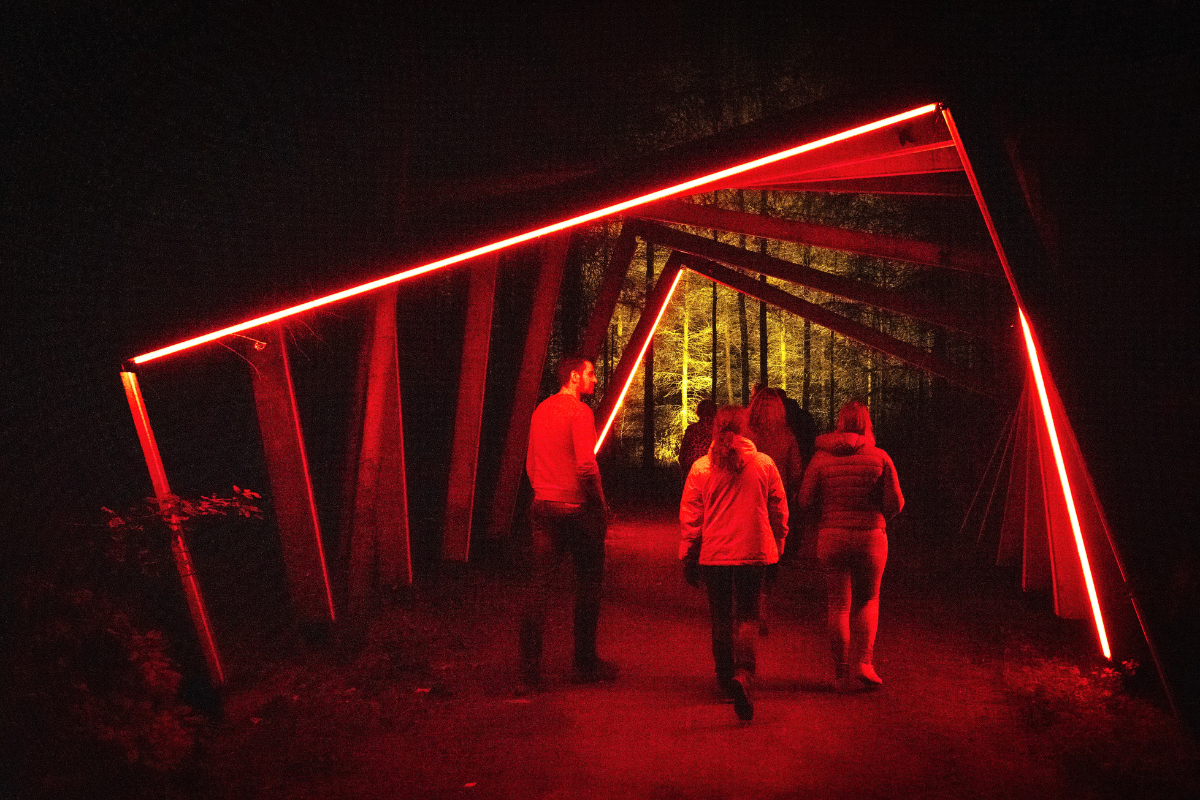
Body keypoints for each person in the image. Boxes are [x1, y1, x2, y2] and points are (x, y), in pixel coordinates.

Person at [680, 405, 788, 721]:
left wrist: (688, 550)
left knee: (721, 617)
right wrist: (778, 543)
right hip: (753, 551)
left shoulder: (701, 468)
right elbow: (778, 509)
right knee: (747, 616)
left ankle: (725, 681)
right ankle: (743, 674)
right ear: (745, 430)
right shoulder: (764, 464)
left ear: (715, 429)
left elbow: (690, 515)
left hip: (714, 553)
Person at [521, 355, 617, 690]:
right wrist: (600, 505)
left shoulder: (540, 411)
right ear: (574, 377)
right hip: (575, 508)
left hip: (543, 504)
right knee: (588, 584)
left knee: (539, 586)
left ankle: (530, 666)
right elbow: (587, 466)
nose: (594, 378)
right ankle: (584, 663)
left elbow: (532, 462)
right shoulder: (580, 412)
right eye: (590, 373)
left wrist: (542, 489)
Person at [798, 400, 903, 693]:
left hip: (832, 535)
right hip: (871, 536)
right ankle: (864, 663)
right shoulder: (880, 457)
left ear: (840, 422)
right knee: (868, 600)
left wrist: (824, 514)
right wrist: (881, 517)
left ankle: (840, 672)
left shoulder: (820, 458)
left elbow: (805, 499)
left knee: (838, 604)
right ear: (867, 423)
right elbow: (896, 502)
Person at [678, 397, 716, 483]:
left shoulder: (691, 429)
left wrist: (684, 474)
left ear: (699, 412)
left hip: (693, 471)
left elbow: (682, 454)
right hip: (711, 472)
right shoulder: (718, 430)